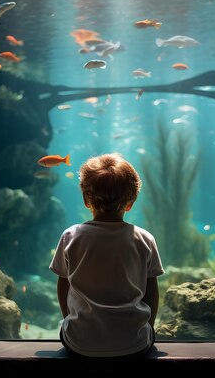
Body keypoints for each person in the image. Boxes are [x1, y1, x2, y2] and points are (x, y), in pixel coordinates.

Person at [50, 153, 164, 358]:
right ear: (131, 202)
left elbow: (63, 284)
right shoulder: (145, 239)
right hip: (135, 344)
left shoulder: (71, 236)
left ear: (86, 199)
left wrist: (68, 319)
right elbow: (152, 291)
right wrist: (149, 328)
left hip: (80, 344)